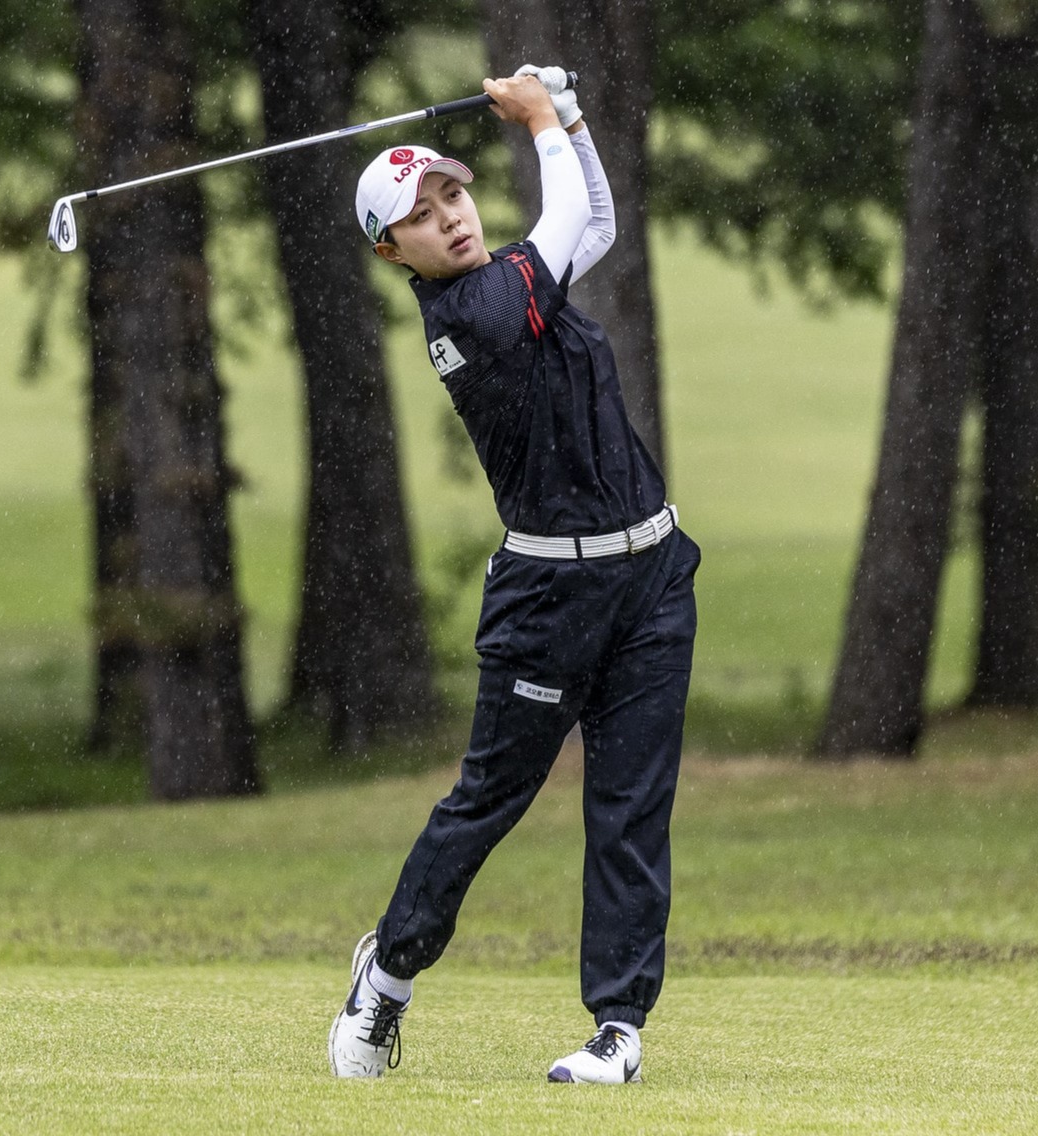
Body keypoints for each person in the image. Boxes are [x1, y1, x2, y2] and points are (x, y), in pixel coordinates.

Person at [329, 66, 699, 1085]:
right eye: (420, 214)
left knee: (629, 806)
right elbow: (570, 207)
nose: (448, 217)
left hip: (653, 578)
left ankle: (617, 1030)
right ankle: (387, 978)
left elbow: (599, 221)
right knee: (492, 795)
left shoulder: (519, 279)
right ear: (390, 250)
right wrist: (541, 115)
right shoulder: (475, 313)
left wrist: (571, 114)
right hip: (549, 599)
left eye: (453, 192)